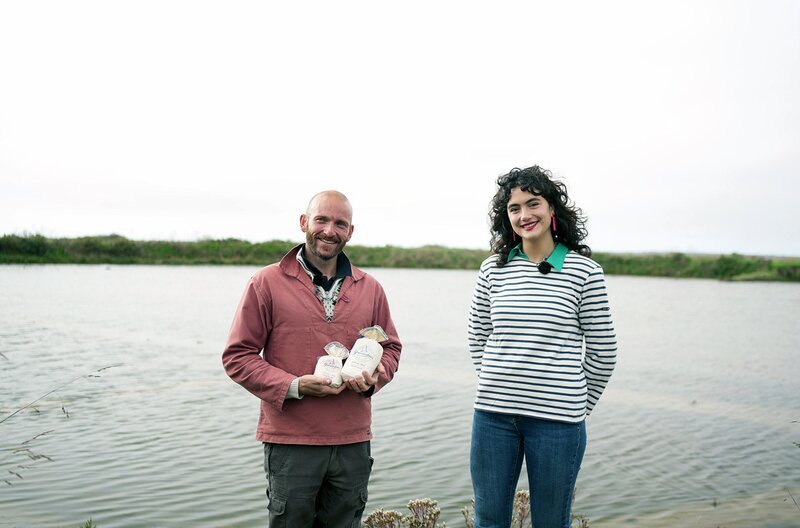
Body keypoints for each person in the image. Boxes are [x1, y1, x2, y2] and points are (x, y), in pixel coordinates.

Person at [223, 190, 402, 528]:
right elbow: (238, 356)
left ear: (350, 232)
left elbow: (390, 348)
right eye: (321, 219)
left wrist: (375, 377)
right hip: (292, 442)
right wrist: (294, 385)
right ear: (304, 222)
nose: (329, 230)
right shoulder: (266, 283)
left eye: (340, 223)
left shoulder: (370, 288)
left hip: (353, 441)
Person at [467, 166, 617, 528]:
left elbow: (604, 352)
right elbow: (478, 338)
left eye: (532, 203)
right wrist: (500, 382)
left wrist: (577, 404)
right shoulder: (493, 270)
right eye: (514, 208)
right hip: (492, 418)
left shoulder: (584, 272)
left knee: (551, 522)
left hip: (558, 423)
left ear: (552, 209)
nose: (523, 215)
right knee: (489, 521)